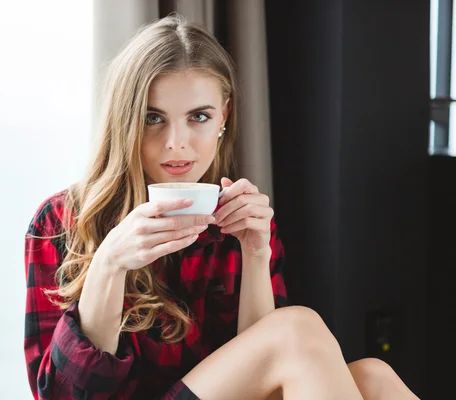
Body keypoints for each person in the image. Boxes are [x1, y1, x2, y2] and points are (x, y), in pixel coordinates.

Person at [23, 14, 420, 400]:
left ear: (223, 116)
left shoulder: (235, 215)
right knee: (298, 328)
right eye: (153, 118)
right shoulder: (63, 220)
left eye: (199, 117)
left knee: (374, 375)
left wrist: (256, 251)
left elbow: (270, 371)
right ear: (125, 120)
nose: (177, 142)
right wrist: (109, 263)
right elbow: (60, 396)